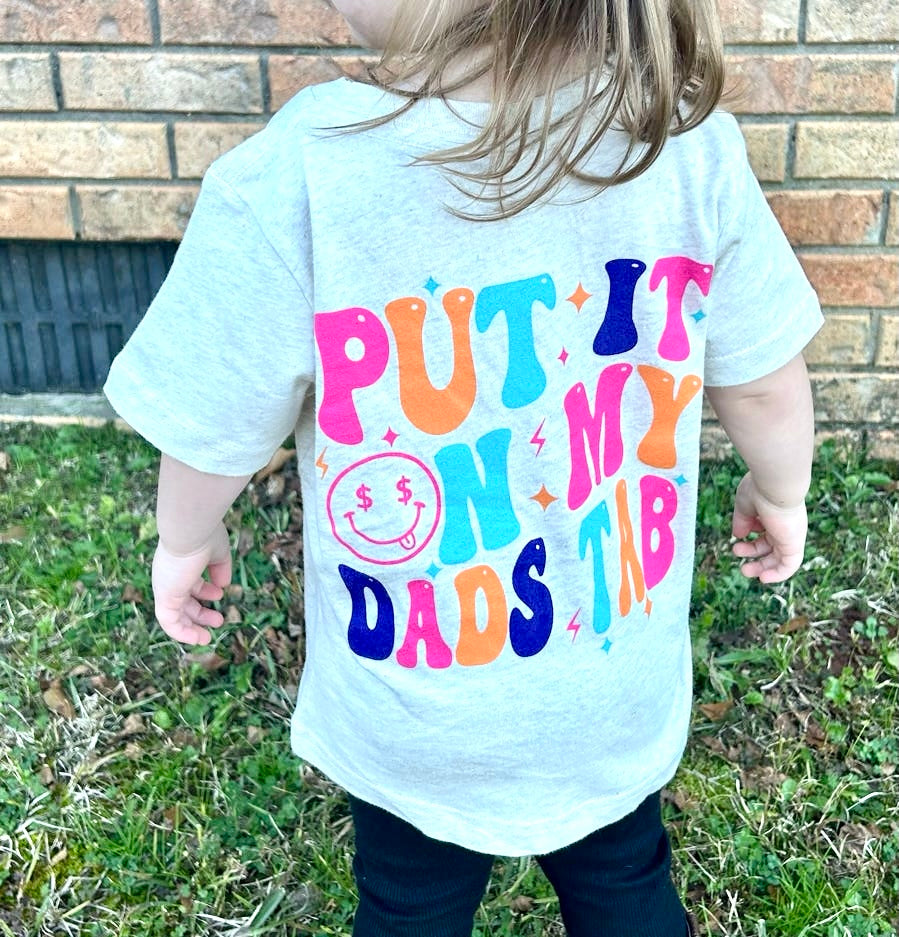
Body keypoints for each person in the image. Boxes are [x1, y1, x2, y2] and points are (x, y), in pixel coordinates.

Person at [104, 0, 822, 933]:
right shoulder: (677, 142)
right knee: (626, 884)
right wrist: (781, 490)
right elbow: (762, 384)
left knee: (408, 906)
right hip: (610, 692)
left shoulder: (303, 171)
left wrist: (183, 540)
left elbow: (212, 419)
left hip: (418, 712)